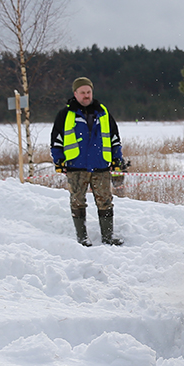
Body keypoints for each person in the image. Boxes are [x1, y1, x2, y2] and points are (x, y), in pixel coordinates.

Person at [50, 77, 126, 246]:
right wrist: (59, 160)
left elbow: (114, 138)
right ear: (75, 93)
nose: (86, 95)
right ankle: (82, 237)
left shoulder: (103, 112)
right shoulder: (65, 115)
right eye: (82, 92)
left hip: (101, 165)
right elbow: (56, 141)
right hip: (76, 167)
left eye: (89, 92)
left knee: (105, 201)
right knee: (77, 200)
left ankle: (108, 237)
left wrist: (117, 158)